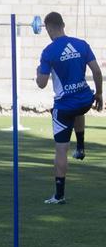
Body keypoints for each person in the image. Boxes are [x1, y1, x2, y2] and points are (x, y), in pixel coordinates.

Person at [35, 12, 103, 204]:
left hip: (64, 106)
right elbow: (97, 71)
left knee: (61, 150)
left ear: (48, 28)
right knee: (79, 110)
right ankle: (80, 147)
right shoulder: (81, 44)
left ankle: (59, 195)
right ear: (63, 24)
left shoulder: (48, 52)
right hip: (85, 100)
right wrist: (99, 94)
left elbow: (41, 83)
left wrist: (38, 72)